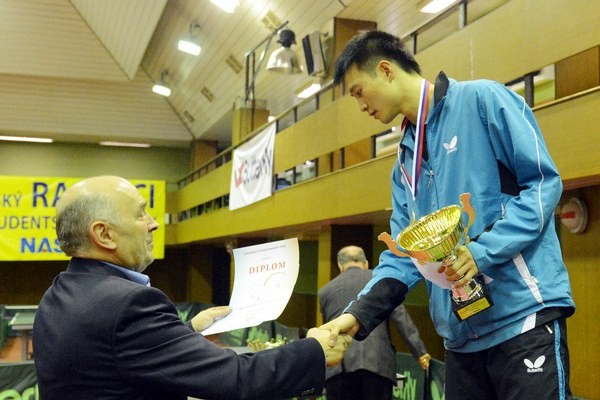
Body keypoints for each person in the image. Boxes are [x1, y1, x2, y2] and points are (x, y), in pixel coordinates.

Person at [320, 30, 575, 400]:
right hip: (460, 340)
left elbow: (542, 186)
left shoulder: (482, 100)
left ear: (387, 70)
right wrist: (355, 316)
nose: (360, 106)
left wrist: (480, 252)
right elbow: (404, 258)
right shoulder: (403, 165)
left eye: (359, 91)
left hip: (522, 320)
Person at [33, 175, 351, 400]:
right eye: (140, 213)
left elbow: (116, 359)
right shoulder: (128, 304)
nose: (153, 223)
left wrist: (188, 331)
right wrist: (315, 351)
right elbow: (237, 379)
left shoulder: (59, 293)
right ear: (104, 235)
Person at [318, 245, 430, 400]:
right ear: (366, 263)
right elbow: (400, 317)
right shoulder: (382, 285)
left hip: (339, 369)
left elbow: (327, 333)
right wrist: (420, 352)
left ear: (340, 266)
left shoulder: (325, 291)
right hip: (378, 365)